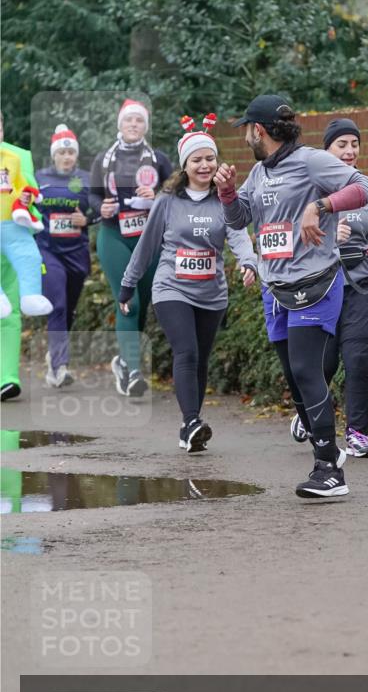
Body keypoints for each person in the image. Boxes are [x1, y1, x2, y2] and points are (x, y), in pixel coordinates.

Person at [214, 94, 368, 498]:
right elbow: (240, 219)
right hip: (276, 289)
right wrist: (229, 193)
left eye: (247, 129)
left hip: (316, 282)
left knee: (307, 371)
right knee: (294, 376)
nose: (246, 136)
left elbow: (365, 190)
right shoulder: (258, 172)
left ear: (260, 130)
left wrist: (319, 206)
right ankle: (329, 450)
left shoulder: (310, 161)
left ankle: (329, 471)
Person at [118, 114, 258, 452]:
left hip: (211, 292)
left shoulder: (225, 198)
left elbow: (238, 234)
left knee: (202, 358)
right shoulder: (167, 201)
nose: (205, 165)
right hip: (172, 287)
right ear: (185, 165)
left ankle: (187, 427)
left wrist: (249, 262)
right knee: (187, 350)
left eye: (210, 158)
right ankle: (192, 420)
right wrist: (128, 284)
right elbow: (147, 244)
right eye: (197, 159)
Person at [291, 117, 368, 457]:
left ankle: (357, 433)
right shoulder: (313, 189)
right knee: (325, 361)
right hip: (323, 285)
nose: (350, 151)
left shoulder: (367, 186)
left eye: (354, 144)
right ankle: (308, 413)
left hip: (361, 284)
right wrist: (331, 237)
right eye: (342, 144)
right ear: (327, 149)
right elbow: (296, 239)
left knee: (359, 358)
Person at [89, 98, 172, 397]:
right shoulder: (104, 159)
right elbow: (93, 197)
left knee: (141, 303)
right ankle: (135, 371)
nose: (134, 125)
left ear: (145, 127)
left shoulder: (158, 158)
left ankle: (124, 361)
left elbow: (176, 192)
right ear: (120, 125)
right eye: (129, 120)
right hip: (114, 237)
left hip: (149, 239)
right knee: (129, 301)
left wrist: (158, 194)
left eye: (139, 121)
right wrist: (103, 208)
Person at [35, 124, 95, 387]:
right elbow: (24, 206)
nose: (67, 156)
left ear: (76, 155)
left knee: (68, 309)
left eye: (71, 152)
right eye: (62, 152)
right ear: (54, 155)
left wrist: (87, 219)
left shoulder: (87, 179)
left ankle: (54, 356)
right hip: (47, 250)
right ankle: (59, 367)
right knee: (57, 305)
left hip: (77, 253)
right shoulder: (38, 178)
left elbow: (100, 209)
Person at [0, 112, 43, 401]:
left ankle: (7, 378)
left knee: (10, 310)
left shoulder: (19, 156)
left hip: (11, 240)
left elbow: (31, 192)